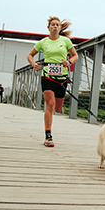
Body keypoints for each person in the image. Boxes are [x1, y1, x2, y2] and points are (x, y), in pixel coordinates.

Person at [27, 16, 78, 147]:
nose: (55, 26)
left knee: (58, 108)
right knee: (49, 105)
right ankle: (48, 136)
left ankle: (56, 108)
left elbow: (75, 55)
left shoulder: (65, 41)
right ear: (48, 27)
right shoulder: (43, 42)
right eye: (53, 25)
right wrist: (34, 64)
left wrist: (69, 62)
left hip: (62, 78)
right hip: (47, 76)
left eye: (57, 25)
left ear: (60, 28)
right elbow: (30, 55)